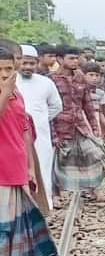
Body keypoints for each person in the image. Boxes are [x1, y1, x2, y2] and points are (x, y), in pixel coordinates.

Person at [0, 47, 57, 256]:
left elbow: (24, 127)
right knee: (2, 225)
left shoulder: (17, 95)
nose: (5, 75)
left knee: (16, 223)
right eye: (0, 70)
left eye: (8, 69)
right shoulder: (6, 93)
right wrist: (4, 92)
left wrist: (30, 168)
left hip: (16, 167)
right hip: (1, 171)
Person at [50, 46, 105, 203]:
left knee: (95, 154)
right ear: (60, 59)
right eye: (71, 58)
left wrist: (95, 128)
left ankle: (95, 190)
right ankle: (56, 194)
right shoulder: (52, 80)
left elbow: (88, 105)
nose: (75, 61)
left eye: (76, 58)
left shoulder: (80, 77)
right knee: (57, 162)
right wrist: (53, 133)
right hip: (60, 127)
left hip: (80, 126)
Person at [14, 45, 61, 210]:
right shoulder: (9, 82)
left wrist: (37, 122)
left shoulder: (46, 83)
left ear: (37, 63)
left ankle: (45, 206)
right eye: (24, 63)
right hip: (14, 135)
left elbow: (56, 106)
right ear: (17, 61)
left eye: (31, 63)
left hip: (40, 136)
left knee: (43, 168)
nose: (27, 67)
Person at [84, 63, 105, 145]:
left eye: (97, 75)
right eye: (91, 75)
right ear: (84, 75)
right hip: (84, 122)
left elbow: (100, 112)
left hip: (96, 122)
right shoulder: (81, 91)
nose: (94, 78)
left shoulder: (100, 93)